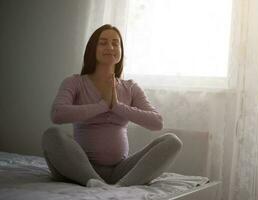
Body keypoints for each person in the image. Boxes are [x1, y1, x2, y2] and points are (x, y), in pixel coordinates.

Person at [41, 24, 183, 189]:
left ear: (121, 50)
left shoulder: (130, 87)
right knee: (52, 135)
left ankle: (119, 187)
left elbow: (157, 123)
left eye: (116, 43)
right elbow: (57, 114)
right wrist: (102, 106)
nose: (110, 47)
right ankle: (93, 181)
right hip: (79, 169)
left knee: (173, 141)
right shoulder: (74, 82)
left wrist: (116, 106)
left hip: (119, 171)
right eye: (103, 42)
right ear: (93, 49)